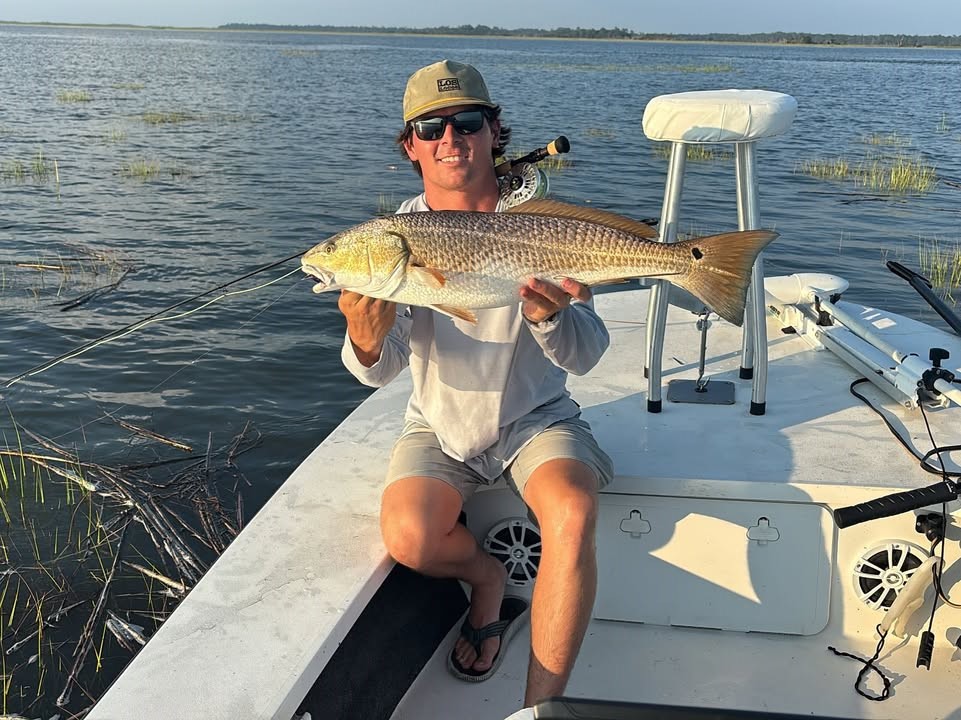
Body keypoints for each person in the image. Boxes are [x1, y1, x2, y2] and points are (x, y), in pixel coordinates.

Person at [337, 59, 614, 709]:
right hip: (438, 423)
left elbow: (587, 355)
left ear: (493, 132)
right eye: (429, 127)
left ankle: (538, 707)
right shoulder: (394, 238)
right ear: (409, 145)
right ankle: (487, 580)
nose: (449, 138)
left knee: (571, 512)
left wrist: (549, 318)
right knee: (407, 536)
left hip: (536, 417)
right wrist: (366, 336)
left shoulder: (541, 221)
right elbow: (379, 369)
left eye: (466, 121)